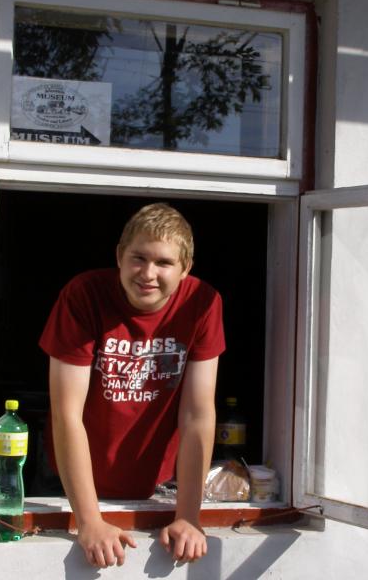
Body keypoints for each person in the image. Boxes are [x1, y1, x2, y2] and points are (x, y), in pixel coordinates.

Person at [39, 202, 225, 568]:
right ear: (119, 256)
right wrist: (89, 521)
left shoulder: (203, 303)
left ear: (185, 268)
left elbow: (198, 414)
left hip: (157, 484)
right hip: (69, 481)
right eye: (138, 258)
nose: (148, 274)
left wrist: (189, 516)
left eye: (164, 263)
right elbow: (67, 414)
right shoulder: (84, 295)